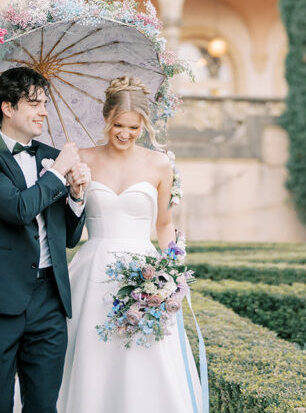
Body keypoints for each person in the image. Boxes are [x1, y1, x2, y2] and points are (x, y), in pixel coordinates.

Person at [58, 75, 203, 413]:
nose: (124, 133)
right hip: (91, 272)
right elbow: (69, 230)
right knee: (92, 356)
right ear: (106, 119)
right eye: (118, 124)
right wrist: (75, 193)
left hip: (146, 272)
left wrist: (172, 276)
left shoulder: (160, 164)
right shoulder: (82, 160)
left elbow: (165, 225)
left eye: (133, 127)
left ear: (144, 126)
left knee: (144, 358)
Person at [0, 65, 92, 413]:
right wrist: (59, 173)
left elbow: (69, 237)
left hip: (49, 300)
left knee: (44, 406)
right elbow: (18, 210)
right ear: (8, 107)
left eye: (44, 103)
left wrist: (76, 195)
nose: (44, 111)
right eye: (34, 103)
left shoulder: (49, 155)